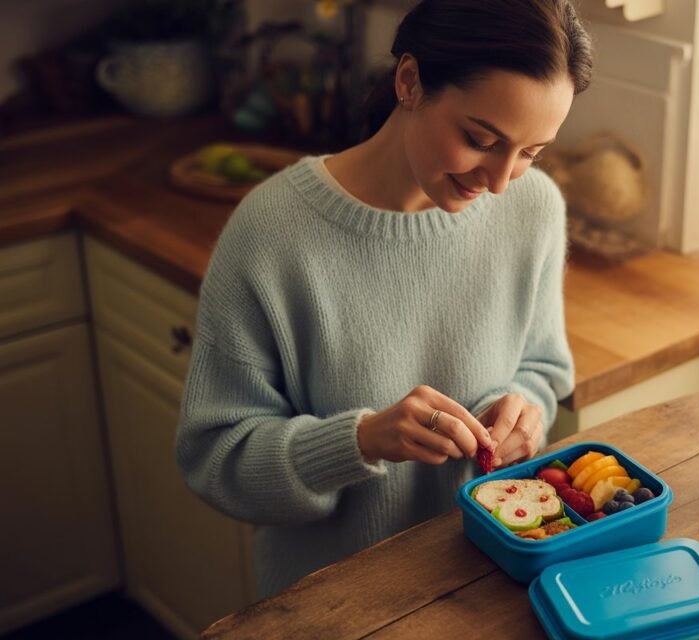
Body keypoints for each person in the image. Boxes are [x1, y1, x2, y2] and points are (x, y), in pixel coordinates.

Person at [175, 0, 593, 597]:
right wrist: (360, 441)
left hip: (486, 585)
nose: (500, 182)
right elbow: (216, 460)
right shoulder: (270, 234)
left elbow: (542, 369)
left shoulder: (536, 208)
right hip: (330, 606)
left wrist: (522, 409)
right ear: (409, 81)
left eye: (530, 153)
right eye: (481, 139)